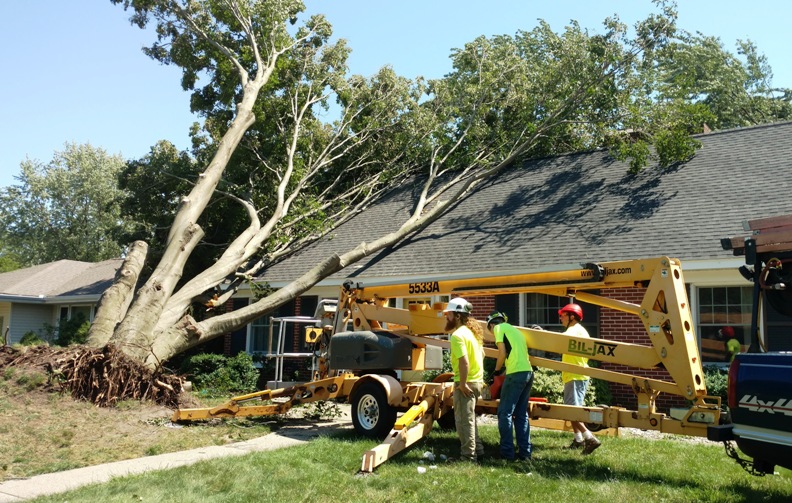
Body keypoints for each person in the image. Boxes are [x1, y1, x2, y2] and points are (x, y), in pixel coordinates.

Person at [487, 311, 533, 461]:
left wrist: (495, 372)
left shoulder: (499, 328)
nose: (493, 334)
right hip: (527, 372)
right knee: (521, 415)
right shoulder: (516, 331)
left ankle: (507, 453)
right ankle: (525, 453)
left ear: (492, 324)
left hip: (516, 374)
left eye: (491, 330)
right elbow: (513, 356)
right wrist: (503, 373)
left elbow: (502, 353)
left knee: (504, 413)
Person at [445, 297, 485, 462]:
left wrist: (462, 383)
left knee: (463, 421)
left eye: (449, 314)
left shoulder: (457, 335)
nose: (446, 317)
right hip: (476, 381)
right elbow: (482, 354)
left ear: (457, 316)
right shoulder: (472, 334)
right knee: (470, 419)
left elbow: (464, 362)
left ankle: (468, 457)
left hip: (466, 383)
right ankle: (479, 450)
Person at [559, 303, 601, 455]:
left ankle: (590, 438)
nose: (560, 318)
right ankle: (578, 440)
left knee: (571, 411)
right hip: (576, 376)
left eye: (562, 315)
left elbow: (558, 340)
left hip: (575, 376)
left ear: (572, 317)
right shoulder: (579, 330)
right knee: (572, 409)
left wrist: (542, 334)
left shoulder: (574, 330)